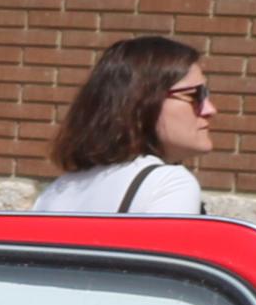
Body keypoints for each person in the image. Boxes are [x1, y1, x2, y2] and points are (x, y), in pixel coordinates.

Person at [32, 37, 216, 218]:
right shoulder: (168, 184)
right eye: (194, 96)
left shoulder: (56, 191)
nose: (210, 109)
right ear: (140, 103)